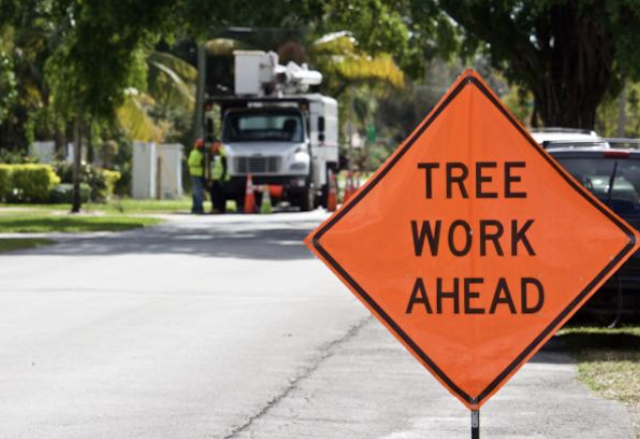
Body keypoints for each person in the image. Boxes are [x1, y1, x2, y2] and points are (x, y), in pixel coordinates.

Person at [209, 141, 230, 213]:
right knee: (218, 194)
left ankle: (218, 208)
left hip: (220, 179)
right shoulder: (217, 157)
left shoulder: (221, 157)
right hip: (217, 178)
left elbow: (225, 168)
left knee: (218, 195)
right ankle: (219, 208)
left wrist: (222, 178)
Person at [188, 139, 205, 214]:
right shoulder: (195, 153)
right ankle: (198, 207)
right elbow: (190, 163)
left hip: (199, 174)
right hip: (196, 174)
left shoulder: (200, 153)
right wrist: (200, 163)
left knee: (196, 191)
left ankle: (195, 207)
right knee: (198, 191)